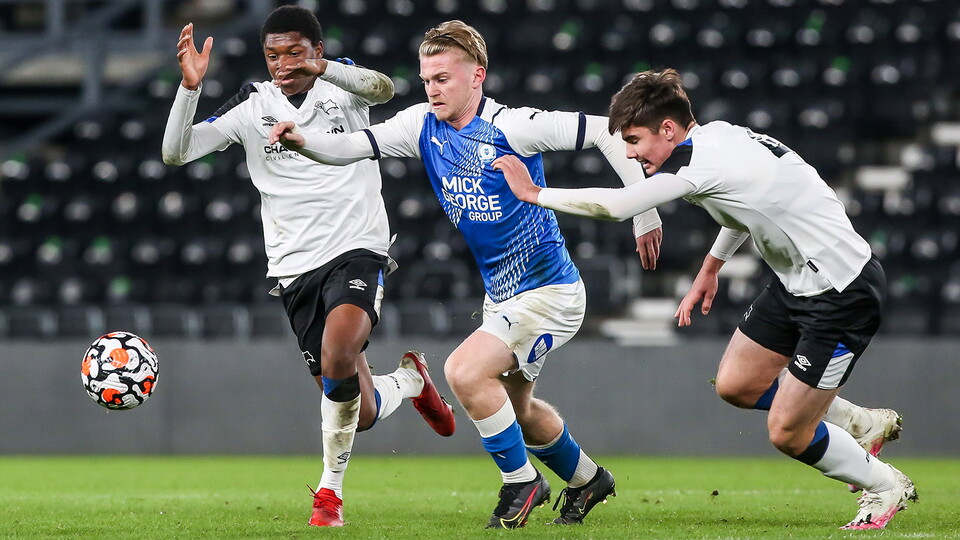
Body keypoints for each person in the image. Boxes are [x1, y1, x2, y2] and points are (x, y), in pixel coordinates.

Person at [267, 20, 664, 528]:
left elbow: (612, 132)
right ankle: (589, 480)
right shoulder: (420, 126)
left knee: (463, 371)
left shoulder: (515, 126)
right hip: (504, 296)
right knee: (517, 411)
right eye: (427, 79)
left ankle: (521, 483)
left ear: (477, 76)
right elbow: (354, 145)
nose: (432, 89)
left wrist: (643, 211)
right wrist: (303, 141)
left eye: (443, 78)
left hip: (550, 292)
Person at [495, 68, 917, 530]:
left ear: (669, 129)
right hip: (793, 281)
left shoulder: (701, 163)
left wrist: (533, 192)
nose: (631, 153)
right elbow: (742, 205)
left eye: (635, 141)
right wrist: (711, 267)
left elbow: (618, 206)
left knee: (788, 432)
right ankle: (860, 421)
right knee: (737, 384)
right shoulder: (720, 138)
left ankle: (886, 486)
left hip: (842, 292)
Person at [160, 6, 455, 528]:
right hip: (294, 268)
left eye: (294, 52)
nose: (281, 64)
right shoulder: (254, 106)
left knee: (339, 349)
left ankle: (329, 495)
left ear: (316, 50)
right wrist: (190, 89)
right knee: (359, 412)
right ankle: (410, 382)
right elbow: (176, 154)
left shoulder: (344, 88)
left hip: (357, 247)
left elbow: (384, 88)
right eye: (272, 55)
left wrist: (324, 69)